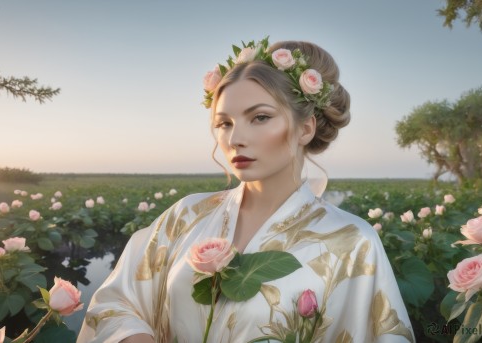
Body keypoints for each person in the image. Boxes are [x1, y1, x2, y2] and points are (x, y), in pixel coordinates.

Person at [77, 37, 415, 343]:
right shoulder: (187, 215)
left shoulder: (352, 240)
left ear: (306, 128)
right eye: (224, 123)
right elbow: (116, 300)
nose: (235, 138)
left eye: (260, 117)